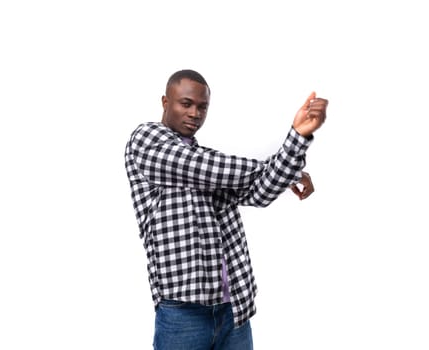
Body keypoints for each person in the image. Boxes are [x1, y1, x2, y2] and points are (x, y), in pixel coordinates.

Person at [124, 69, 328, 349]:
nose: (195, 113)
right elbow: (203, 167)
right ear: (165, 102)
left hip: (235, 310)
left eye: (202, 106)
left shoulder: (213, 166)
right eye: (186, 103)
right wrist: (290, 172)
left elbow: (261, 192)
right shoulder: (146, 141)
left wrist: (298, 137)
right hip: (183, 313)